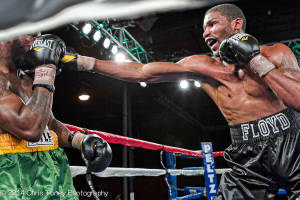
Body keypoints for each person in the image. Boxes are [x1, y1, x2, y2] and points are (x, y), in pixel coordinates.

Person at [60, 3, 300, 199]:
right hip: (246, 154)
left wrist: (256, 61)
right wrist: (83, 62)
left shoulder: (277, 52)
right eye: (204, 28)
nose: (205, 33)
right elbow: (142, 71)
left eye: (212, 24)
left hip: (292, 141)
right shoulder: (203, 67)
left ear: (236, 24)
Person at [0, 33, 112, 200]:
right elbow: (29, 129)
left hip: (53, 172)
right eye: (31, 34)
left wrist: (79, 140)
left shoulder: (26, 79)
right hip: (12, 177)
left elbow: (47, 124)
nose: (37, 40)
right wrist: (46, 69)